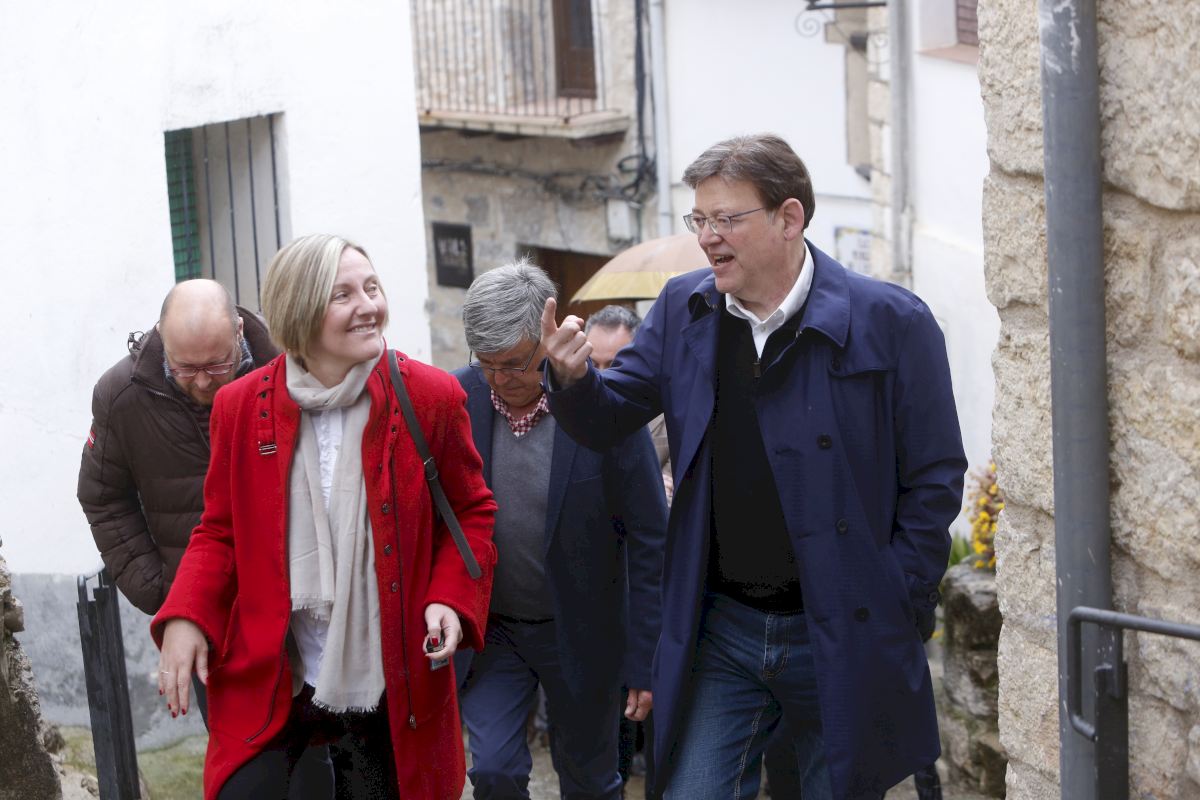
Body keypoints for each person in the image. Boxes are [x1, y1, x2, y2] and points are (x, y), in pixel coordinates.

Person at [539, 134, 967, 799]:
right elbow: (610, 414)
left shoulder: (893, 322)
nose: (707, 237)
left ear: (788, 218)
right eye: (699, 219)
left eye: (726, 218)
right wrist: (572, 380)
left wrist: (899, 591)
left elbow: (935, 476)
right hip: (724, 631)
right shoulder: (683, 307)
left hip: (843, 629)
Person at [152, 234, 497, 800]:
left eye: (372, 287)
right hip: (278, 673)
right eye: (344, 295)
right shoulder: (240, 406)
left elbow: (472, 510)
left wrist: (449, 598)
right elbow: (220, 530)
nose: (369, 306)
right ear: (300, 311)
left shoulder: (429, 396)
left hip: (391, 684)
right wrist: (186, 615)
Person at [452, 262, 667, 800]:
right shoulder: (458, 398)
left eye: (514, 363)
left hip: (582, 632)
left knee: (589, 781)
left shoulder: (603, 406)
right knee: (493, 771)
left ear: (546, 339)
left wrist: (646, 658)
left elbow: (650, 538)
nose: (500, 378)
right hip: (495, 631)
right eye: (486, 364)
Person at [584, 306, 671, 502]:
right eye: (593, 364)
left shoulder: (672, 414)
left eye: (615, 365)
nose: (601, 376)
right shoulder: (568, 411)